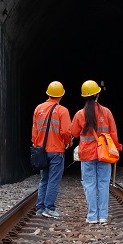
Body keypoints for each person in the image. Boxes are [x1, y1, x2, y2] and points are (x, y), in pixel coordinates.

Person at [71, 80, 121, 224]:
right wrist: (116, 149)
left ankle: (92, 216)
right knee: (104, 184)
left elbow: (73, 132)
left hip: (87, 154)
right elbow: (113, 133)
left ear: (84, 97)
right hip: (104, 154)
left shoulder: (80, 114)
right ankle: (103, 216)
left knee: (90, 184)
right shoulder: (107, 112)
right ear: (98, 94)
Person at [32, 81, 72, 219]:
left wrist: (38, 148)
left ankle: (40, 208)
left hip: (42, 151)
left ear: (48, 94)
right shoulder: (62, 111)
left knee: (44, 179)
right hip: (56, 151)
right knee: (53, 180)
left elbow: (34, 133)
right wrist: (68, 142)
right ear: (61, 95)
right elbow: (66, 131)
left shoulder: (38, 109)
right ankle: (49, 208)